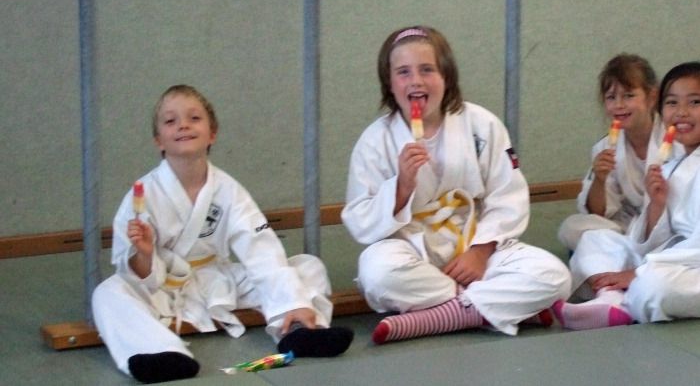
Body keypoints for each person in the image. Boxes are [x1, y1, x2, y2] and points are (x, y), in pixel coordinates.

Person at [92, 85, 352, 383]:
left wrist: (294, 300)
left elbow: (260, 248)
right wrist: (145, 254)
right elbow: (135, 275)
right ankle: (161, 352)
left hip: (216, 280)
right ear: (158, 140)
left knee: (308, 266)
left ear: (212, 134)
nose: (183, 125)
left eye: (194, 118)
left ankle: (298, 330)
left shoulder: (228, 190)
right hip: (163, 287)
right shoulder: (143, 194)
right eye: (170, 121)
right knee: (108, 293)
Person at [341, 26, 571, 344]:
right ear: (389, 84)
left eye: (427, 69)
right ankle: (485, 307)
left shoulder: (482, 125)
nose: (416, 81)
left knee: (555, 276)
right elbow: (360, 220)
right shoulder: (375, 141)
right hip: (413, 251)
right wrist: (401, 187)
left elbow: (508, 196)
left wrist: (480, 252)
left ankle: (434, 318)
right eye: (403, 72)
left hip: (475, 247)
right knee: (377, 273)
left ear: (446, 76)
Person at [553, 62, 700, 330]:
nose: (681, 112)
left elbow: (693, 245)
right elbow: (656, 237)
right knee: (594, 239)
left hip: (686, 261)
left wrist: (638, 271)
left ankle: (619, 300)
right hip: (658, 248)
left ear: (650, 97)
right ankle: (610, 297)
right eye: (672, 103)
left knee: (654, 285)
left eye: (695, 102)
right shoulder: (675, 165)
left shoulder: (676, 150)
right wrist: (656, 205)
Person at [558, 54, 681, 252]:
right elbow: (598, 214)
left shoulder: (676, 140)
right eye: (611, 97)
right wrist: (599, 179)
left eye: (629, 96)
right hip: (626, 229)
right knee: (571, 228)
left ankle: (628, 256)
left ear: (652, 97)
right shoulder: (604, 147)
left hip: (667, 226)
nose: (618, 105)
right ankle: (632, 253)